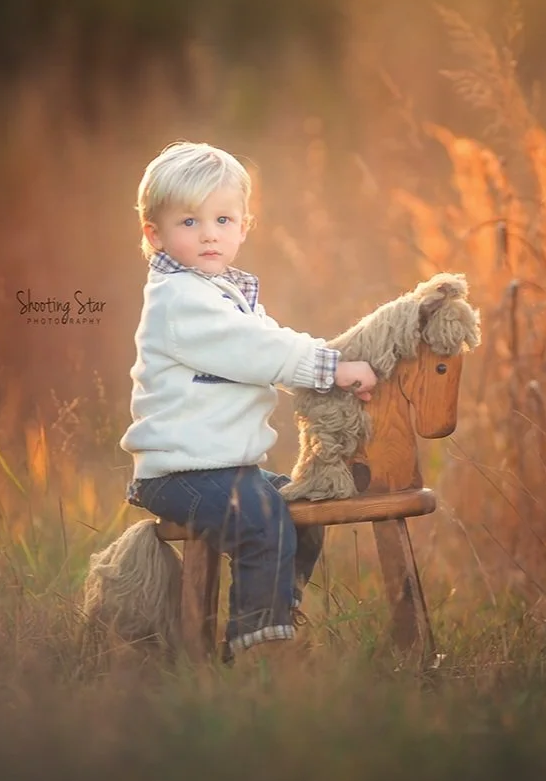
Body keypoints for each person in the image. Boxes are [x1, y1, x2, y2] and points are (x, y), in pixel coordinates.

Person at [120, 141, 378, 665]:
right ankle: (263, 648)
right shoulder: (180, 299)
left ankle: (273, 614)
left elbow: (273, 340)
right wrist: (331, 369)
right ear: (156, 234)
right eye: (189, 222)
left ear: (244, 227)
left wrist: (331, 358)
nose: (209, 233)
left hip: (223, 469)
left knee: (300, 509)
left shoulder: (222, 292)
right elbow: (260, 352)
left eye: (221, 218)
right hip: (182, 473)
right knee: (263, 520)